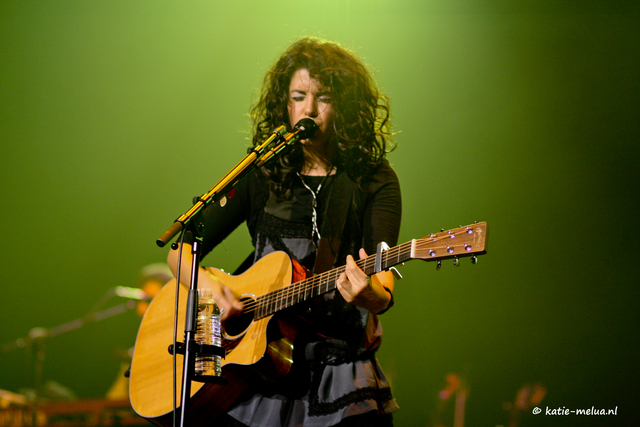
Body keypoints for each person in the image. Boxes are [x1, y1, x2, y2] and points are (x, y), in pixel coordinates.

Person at [167, 37, 401, 427]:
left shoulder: (372, 179)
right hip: (257, 370)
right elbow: (181, 250)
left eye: (323, 97)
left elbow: (383, 282)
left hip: (337, 371)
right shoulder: (261, 173)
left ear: (345, 104)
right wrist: (209, 288)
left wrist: (372, 297)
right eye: (299, 96)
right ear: (284, 103)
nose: (309, 109)